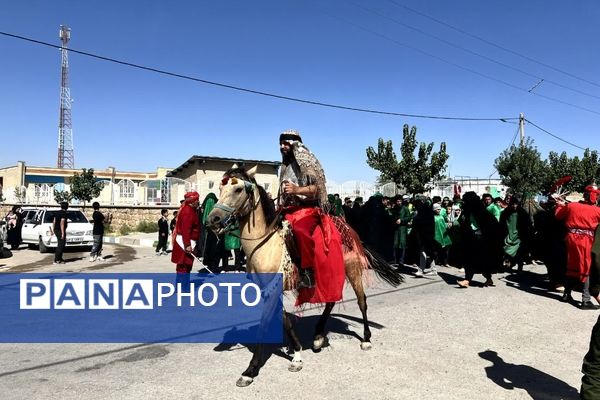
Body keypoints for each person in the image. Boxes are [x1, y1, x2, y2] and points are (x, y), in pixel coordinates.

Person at [278, 129, 345, 296]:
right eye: (280, 143)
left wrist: (296, 189)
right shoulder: (284, 166)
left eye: (285, 143)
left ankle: (308, 272)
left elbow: (317, 189)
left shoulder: (307, 162)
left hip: (307, 209)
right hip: (288, 209)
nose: (281, 146)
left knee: (300, 231)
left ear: (294, 143)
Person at [555, 185, 600, 309]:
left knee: (572, 265)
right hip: (585, 240)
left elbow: (558, 215)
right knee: (586, 267)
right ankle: (585, 300)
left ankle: (566, 294)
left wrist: (559, 205)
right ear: (594, 196)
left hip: (570, 239)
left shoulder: (571, 206)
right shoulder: (597, 211)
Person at [457, 192, 502, 288]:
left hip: (481, 240)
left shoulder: (481, 211)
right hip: (470, 240)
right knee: (469, 260)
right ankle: (467, 280)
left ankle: (488, 279)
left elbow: (492, 224)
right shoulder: (466, 211)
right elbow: (461, 222)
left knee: (483, 261)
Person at [171, 191, 201, 279]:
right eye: (197, 200)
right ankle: (182, 288)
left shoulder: (192, 210)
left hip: (189, 241)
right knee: (183, 267)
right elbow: (185, 230)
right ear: (193, 201)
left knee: (187, 266)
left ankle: (185, 286)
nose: (198, 202)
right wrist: (187, 245)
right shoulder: (188, 212)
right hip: (183, 243)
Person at [499, 196, 531, 272]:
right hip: (508, 234)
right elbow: (501, 223)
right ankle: (510, 263)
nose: (514, 206)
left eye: (516, 204)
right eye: (513, 204)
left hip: (520, 235)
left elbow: (528, 223)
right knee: (507, 249)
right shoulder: (506, 212)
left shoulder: (522, 212)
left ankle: (520, 266)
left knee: (519, 252)